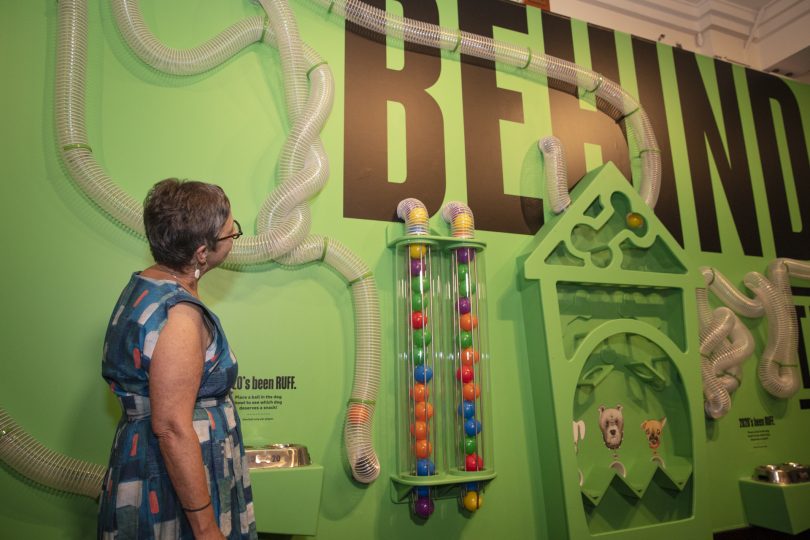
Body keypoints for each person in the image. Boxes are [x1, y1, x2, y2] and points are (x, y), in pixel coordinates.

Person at [98, 178, 257, 539]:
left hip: (155, 466)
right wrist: (204, 527)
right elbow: (171, 428)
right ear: (203, 252)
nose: (235, 238)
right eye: (233, 233)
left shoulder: (144, 285)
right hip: (173, 485)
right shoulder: (180, 318)